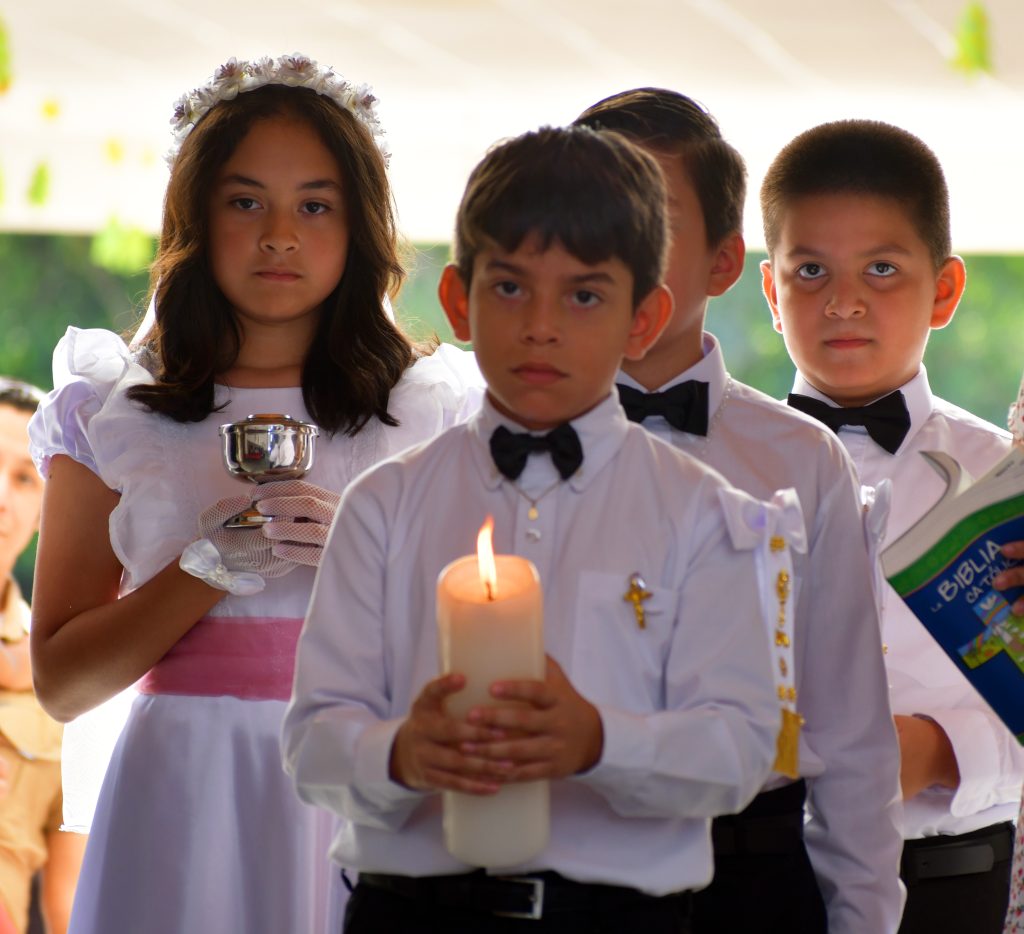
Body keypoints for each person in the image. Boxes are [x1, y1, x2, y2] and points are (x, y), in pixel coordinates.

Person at [282, 124, 780, 934]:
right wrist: (400, 753)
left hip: (621, 921)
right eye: (510, 288)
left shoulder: (701, 511)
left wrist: (598, 741)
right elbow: (311, 742)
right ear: (457, 302)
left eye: (584, 295)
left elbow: (740, 752)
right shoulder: (384, 505)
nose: (541, 325)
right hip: (410, 913)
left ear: (643, 318)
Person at [27, 54, 481, 934]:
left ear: (360, 228)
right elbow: (64, 683)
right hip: (184, 782)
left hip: (367, 774)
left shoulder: (430, 411)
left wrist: (365, 553)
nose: (280, 234)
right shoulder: (111, 411)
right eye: (246, 202)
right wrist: (208, 566)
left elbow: (485, 649)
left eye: (316, 205)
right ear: (195, 216)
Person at [573, 89, 902, 933]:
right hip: (559, 856)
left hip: (750, 872)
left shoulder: (800, 457)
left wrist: (862, 917)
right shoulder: (487, 444)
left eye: (654, 219)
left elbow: (852, 726)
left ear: (724, 263)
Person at [760, 118, 1024, 934]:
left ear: (945, 290)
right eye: (811, 271)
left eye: (882, 268)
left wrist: (939, 750)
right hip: (763, 879)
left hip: (956, 878)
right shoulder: (714, 474)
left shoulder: (1007, 480)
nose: (844, 300)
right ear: (771, 293)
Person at [0, 379, 85, 934]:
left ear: (43, 516)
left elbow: (69, 905)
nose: (1, 496)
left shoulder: (67, 677)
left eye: (24, 479)